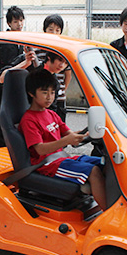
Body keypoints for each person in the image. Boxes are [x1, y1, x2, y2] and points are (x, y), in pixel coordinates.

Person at [18, 69, 107, 210]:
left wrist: (84, 135)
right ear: (31, 93)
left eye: (52, 93)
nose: (49, 97)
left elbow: (69, 134)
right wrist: (67, 140)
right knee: (94, 171)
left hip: (63, 159)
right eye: (44, 92)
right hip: (47, 165)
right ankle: (108, 214)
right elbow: (40, 149)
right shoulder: (29, 119)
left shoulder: (52, 114)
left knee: (107, 163)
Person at [0, 50, 67, 150]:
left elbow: (50, 109)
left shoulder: (54, 82)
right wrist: (26, 63)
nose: (62, 65)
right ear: (49, 57)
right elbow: (2, 78)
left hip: (22, 109)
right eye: (60, 60)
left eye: (66, 63)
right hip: (1, 102)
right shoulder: (26, 60)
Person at [0, 6, 25, 86]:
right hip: (4, 83)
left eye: (21, 20)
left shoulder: (25, 40)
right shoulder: (0, 40)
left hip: (21, 82)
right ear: (9, 23)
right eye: (15, 21)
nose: (19, 24)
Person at [43, 14, 71, 122]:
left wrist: (61, 89)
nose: (54, 33)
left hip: (58, 97)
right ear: (45, 30)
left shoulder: (63, 50)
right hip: (43, 96)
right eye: (50, 29)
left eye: (57, 30)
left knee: (60, 125)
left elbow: (68, 74)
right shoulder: (38, 48)